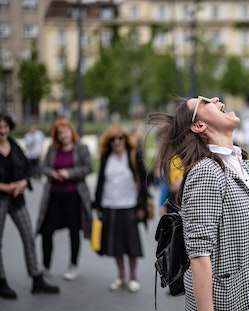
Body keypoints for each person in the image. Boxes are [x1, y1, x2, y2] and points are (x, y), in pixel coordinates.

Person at [149, 95, 249, 311]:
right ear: (199, 125)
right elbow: (199, 254)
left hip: (245, 293)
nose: (216, 98)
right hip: (222, 301)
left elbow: (246, 218)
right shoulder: (206, 171)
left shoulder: (238, 161)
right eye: (206, 102)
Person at [0, 113, 59, 299]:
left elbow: (27, 170)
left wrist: (23, 183)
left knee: (28, 236)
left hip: (17, 199)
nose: (2, 130)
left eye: (4, 126)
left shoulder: (15, 147)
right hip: (1, 198)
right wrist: (7, 187)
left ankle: (36, 279)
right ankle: (1, 281)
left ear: (9, 127)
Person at [93, 124, 149, 292]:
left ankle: (133, 277)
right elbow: (100, 181)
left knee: (131, 244)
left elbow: (143, 181)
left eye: (120, 138)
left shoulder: (132, 156)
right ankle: (121, 276)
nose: (117, 142)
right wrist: (97, 204)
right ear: (109, 143)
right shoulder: (106, 157)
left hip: (129, 206)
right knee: (115, 245)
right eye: (113, 139)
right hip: (110, 205)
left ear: (125, 139)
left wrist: (142, 206)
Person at [36, 117, 92, 281]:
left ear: (71, 132)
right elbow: (43, 167)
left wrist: (69, 173)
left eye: (66, 131)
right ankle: (45, 265)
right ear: (56, 135)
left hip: (74, 196)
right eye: (60, 133)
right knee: (47, 231)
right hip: (54, 195)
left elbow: (88, 167)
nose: (63, 135)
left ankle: (72, 265)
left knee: (74, 231)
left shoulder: (81, 148)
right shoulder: (52, 149)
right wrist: (52, 173)